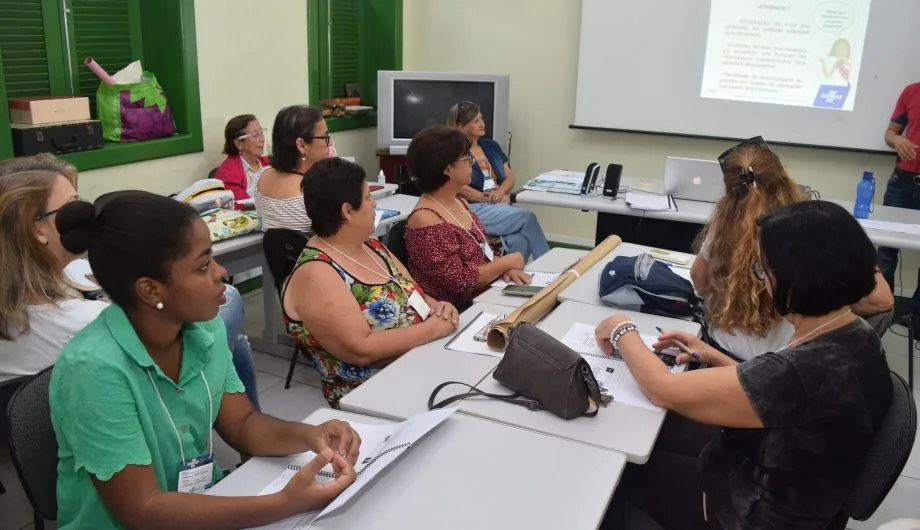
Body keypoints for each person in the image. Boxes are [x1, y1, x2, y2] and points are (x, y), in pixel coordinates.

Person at [50, 192, 361, 529]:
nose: (221, 272)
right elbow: (143, 511)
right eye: (203, 266)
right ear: (151, 291)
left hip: (200, 502)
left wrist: (309, 435)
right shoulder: (93, 369)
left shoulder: (204, 328)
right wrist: (283, 504)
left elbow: (242, 425)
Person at [598, 200, 893, 529]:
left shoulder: (797, 373)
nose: (762, 282)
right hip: (800, 494)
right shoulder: (856, 334)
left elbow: (662, 389)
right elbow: (776, 394)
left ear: (795, 278)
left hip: (749, 514)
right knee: (657, 439)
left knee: (616, 478)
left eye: (763, 271)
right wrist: (714, 357)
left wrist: (621, 329)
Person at [0, 155, 262, 410]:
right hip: (131, 401)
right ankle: (241, 427)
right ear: (38, 230)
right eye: (73, 208)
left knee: (232, 341)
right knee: (228, 302)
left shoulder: (32, 296)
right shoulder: (84, 326)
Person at [691, 136, 893, 360]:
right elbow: (883, 300)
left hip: (723, 353)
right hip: (789, 360)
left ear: (729, 190)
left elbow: (699, 281)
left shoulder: (723, 224)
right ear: (783, 176)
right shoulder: (810, 226)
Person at [283, 158, 460, 408]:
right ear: (347, 210)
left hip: (421, 365)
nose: (373, 203)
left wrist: (439, 308)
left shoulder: (371, 245)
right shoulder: (317, 273)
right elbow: (361, 349)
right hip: (374, 397)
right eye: (367, 197)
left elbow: (414, 293)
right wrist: (432, 330)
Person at [403, 125, 532, 308]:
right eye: (467, 158)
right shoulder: (426, 219)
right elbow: (460, 281)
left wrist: (506, 268)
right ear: (448, 170)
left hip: (488, 294)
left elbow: (484, 251)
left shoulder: (460, 202)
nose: (472, 163)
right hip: (460, 311)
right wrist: (506, 262)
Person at [448, 101, 550, 261]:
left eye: (481, 119)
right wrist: (491, 199)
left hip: (499, 205)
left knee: (520, 240)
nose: (482, 124)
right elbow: (457, 186)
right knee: (527, 217)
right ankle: (550, 267)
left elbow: (510, 177)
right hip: (471, 208)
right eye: (476, 121)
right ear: (461, 126)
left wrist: (501, 192)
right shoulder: (454, 151)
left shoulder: (491, 146)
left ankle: (508, 280)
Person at [880, 82, 920, 335]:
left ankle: (918, 320)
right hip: (902, 182)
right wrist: (897, 139)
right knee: (885, 249)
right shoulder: (911, 91)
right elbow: (890, 133)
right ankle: (881, 314)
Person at [253, 105, 330, 233]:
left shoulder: (261, 177)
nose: (330, 143)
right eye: (325, 138)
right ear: (302, 145)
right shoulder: (312, 191)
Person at [213, 114, 270, 203]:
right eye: (255, 135)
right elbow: (243, 206)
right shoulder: (227, 174)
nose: (262, 139)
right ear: (238, 143)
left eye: (261, 132)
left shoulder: (268, 163)